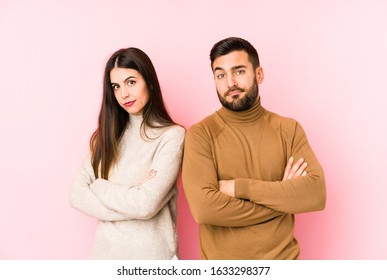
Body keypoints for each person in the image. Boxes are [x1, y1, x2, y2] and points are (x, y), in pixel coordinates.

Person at [182, 37, 326, 260]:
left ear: (259, 74)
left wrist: (240, 188)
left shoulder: (288, 129)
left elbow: (315, 193)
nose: (230, 82)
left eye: (239, 71)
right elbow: (204, 209)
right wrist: (283, 199)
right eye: (221, 75)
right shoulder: (201, 134)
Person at [69, 47, 185, 259]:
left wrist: (99, 187)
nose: (124, 94)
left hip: (153, 260)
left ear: (149, 82)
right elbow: (76, 195)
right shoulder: (104, 139)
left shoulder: (172, 136)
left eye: (131, 82)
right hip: (105, 258)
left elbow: (145, 205)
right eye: (116, 86)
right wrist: (134, 193)